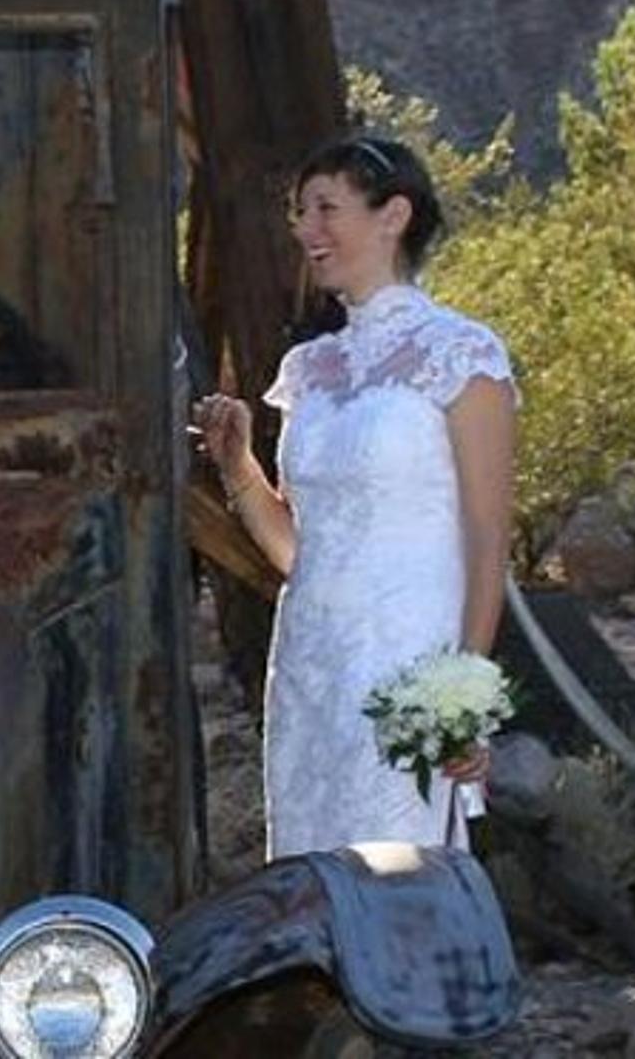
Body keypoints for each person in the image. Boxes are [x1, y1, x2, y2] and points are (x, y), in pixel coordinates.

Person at [193, 133, 517, 858]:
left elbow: (488, 536)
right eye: (299, 211)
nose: (305, 229)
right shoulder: (311, 367)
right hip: (310, 670)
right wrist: (238, 462)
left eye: (325, 208)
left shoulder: (462, 356)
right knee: (312, 888)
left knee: (399, 883)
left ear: (393, 215)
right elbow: (296, 552)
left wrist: (461, 698)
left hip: (406, 671)